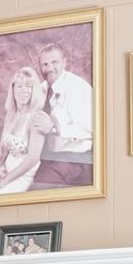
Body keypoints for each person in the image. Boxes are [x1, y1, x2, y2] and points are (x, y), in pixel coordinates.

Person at [0, 67, 47, 197]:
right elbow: (2, 147)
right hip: (5, 170)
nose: (24, 91)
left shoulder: (37, 117)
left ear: (34, 90)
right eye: (19, 86)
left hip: (22, 176)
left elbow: (32, 160)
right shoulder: (11, 114)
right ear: (13, 89)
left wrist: (5, 181)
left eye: (29, 86)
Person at [32, 42, 94, 186]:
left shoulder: (77, 88)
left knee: (40, 187)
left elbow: (93, 129)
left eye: (54, 62)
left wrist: (54, 128)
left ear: (64, 62)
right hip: (49, 156)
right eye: (45, 64)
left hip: (76, 159)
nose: (49, 68)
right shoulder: (42, 88)